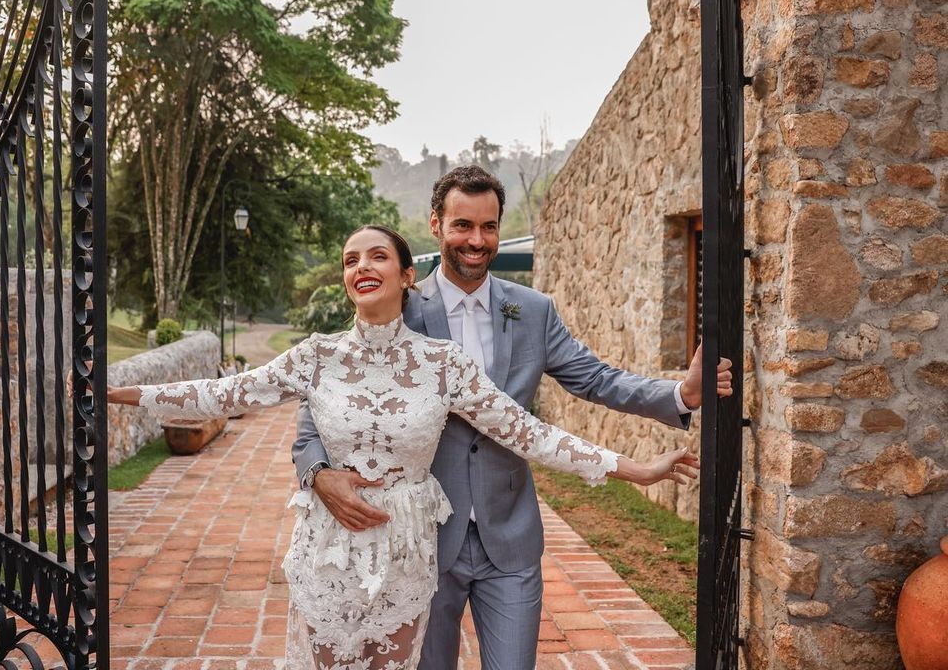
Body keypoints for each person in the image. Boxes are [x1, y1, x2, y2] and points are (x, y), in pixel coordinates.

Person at [105, 224, 703, 670]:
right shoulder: (316, 355)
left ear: (405, 275)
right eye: (349, 260)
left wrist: (637, 469)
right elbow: (221, 392)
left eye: (377, 255)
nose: (361, 266)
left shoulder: (442, 365)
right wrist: (120, 393)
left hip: (407, 547)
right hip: (328, 548)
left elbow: (528, 431)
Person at [294, 167, 734, 670]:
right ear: (436, 225)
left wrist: (681, 392)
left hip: (511, 536)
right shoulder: (396, 305)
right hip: (419, 540)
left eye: (489, 227)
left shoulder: (532, 310)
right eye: (462, 225)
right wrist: (316, 473)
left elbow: (595, 378)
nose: (476, 241)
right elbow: (324, 401)